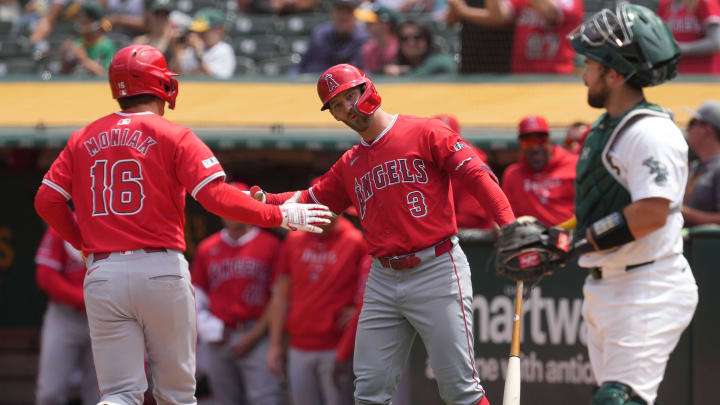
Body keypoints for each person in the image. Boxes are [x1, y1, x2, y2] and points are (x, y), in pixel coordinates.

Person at [33, 44, 332, 405]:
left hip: (104, 272)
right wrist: (278, 214)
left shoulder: (82, 137)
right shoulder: (174, 134)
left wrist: (83, 243)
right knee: (175, 395)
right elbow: (215, 197)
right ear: (162, 85)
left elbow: (46, 201)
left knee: (119, 394)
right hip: (160, 269)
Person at [249, 63, 515, 405]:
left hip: (436, 267)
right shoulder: (349, 163)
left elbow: (477, 175)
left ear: (366, 89)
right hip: (383, 277)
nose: (346, 108)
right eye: (336, 104)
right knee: (370, 392)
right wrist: (264, 200)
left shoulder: (425, 131)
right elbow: (309, 198)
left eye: (348, 96)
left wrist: (507, 224)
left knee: (459, 389)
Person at [563, 3, 698, 403]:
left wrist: (578, 242)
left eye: (590, 64)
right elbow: (602, 207)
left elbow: (652, 213)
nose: (583, 73)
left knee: (618, 400)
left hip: (648, 285)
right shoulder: (607, 126)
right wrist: (559, 235)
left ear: (615, 73)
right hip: (608, 287)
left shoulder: (651, 132)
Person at [266, 193, 368, 405]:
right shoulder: (294, 239)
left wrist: (361, 310)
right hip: (299, 345)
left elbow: (368, 289)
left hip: (335, 346)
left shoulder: (355, 241)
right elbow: (280, 297)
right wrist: (275, 344)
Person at [191, 182, 286, 405]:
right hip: (218, 336)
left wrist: (254, 337)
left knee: (265, 399)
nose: (232, 212)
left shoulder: (270, 245)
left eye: (238, 205)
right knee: (224, 400)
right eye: (226, 206)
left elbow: (278, 298)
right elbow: (195, 297)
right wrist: (209, 327)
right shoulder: (207, 248)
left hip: (257, 333)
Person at [34, 226, 99, 405]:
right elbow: (45, 276)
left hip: (103, 319)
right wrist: (85, 299)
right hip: (65, 317)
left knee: (100, 395)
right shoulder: (63, 223)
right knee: (50, 394)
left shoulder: (113, 223)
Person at [446, 0, 582, 73]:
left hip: (555, 74)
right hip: (521, 74)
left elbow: (550, 14)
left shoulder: (571, 1)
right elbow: (498, 16)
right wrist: (463, 11)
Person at [501, 114, 577, 227]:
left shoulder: (574, 164)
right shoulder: (513, 174)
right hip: (530, 241)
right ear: (520, 145)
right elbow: (508, 216)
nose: (535, 147)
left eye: (541, 140)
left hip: (571, 239)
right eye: (528, 142)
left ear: (549, 141)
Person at [434, 114, 495, 230]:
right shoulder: (428, 168)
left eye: (446, 140)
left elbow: (472, 220)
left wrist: (431, 222)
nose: (441, 146)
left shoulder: (471, 169)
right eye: (436, 141)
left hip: (477, 244)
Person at [290, 0, 369, 74]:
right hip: (311, 82)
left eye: (348, 12)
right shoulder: (320, 34)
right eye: (340, 11)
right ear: (332, 13)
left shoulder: (362, 40)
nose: (343, 16)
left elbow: (358, 73)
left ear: (355, 17)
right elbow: (303, 64)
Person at [682, 100, 720, 225]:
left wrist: (680, 212)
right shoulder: (695, 166)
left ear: (707, 129)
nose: (688, 129)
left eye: (692, 123)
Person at [657, 0, 720, 74]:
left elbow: (716, 43)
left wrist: (682, 49)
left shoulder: (705, 2)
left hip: (705, 77)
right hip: (676, 77)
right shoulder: (665, 5)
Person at [60, 1, 116, 76]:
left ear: (94, 21)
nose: (80, 20)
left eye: (84, 17)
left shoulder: (107, 46)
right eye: (78, 17)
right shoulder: (76, 44)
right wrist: (64, 58)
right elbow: (64, 74)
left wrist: (84, 59)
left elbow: (106, 75)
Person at [177, 8, 236, 79]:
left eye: (204, 31)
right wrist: (176, 51)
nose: (199, 35)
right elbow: (180, 76)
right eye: (197, 31)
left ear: (219, 30)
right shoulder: (193, 49)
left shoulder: (224, 50)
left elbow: (214, 80)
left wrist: (198, 54)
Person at [383, 20, 457, 76]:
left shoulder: (441, 60)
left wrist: (403, 73)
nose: (411, 43)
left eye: (417, 37)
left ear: (427, 40)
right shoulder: (398, 64)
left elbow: (418, 76)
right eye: (404, 38)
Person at [355, 3, 401, 74]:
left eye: (371, 22)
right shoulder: (368, 48)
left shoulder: (401, 46)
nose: (367, 24)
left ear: (386, 25)